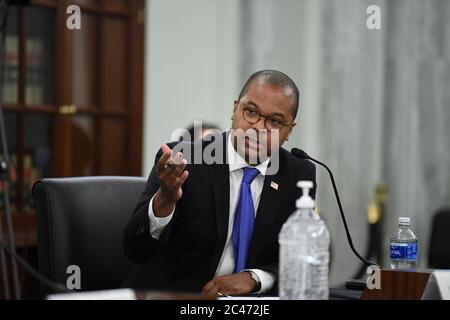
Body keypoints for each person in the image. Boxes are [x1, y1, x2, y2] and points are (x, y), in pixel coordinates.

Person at [123, 70, 316, 296]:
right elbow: (136, 251)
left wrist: (255, 278)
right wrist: (164, 201)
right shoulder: (185, 160)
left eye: (274, 121)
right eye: (251, 112)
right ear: (235, 109)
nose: (258, 128)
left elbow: (297, 259)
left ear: (289, 130)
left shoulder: (299, 173)